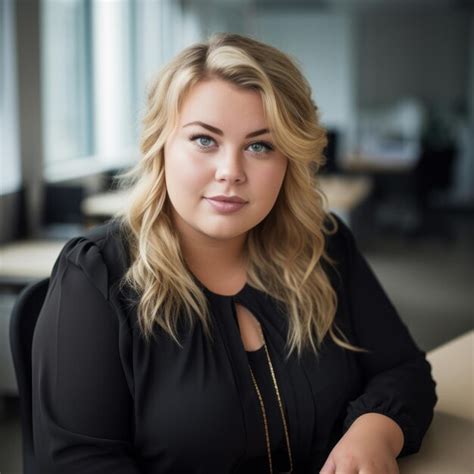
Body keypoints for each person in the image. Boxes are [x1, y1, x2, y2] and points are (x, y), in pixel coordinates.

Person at [32, 32, 437, 474]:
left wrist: (375, 430)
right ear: (161, 146)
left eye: (260, 146)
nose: (231, 172)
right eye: (204, 140)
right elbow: (82, 463)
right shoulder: (95, 276)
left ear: (289, 160)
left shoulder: (324, 245)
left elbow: (405, 369)